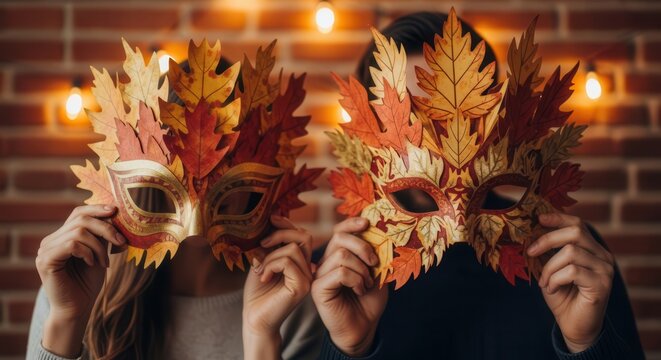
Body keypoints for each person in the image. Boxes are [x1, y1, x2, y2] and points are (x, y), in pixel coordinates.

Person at [312, 12, 644, 360]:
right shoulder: (336, 277)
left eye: (455, 117)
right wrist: (350, 347)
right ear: (369, 134)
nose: (436, 143)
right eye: (409, 119)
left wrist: (587, 342)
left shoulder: (568, 261)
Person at [26, 58, 323, 360]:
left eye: (225, 169)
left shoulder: (289, 301)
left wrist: (261, 335)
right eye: (181, 171)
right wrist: (67, 319)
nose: (199, 199)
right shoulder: (78, 285)